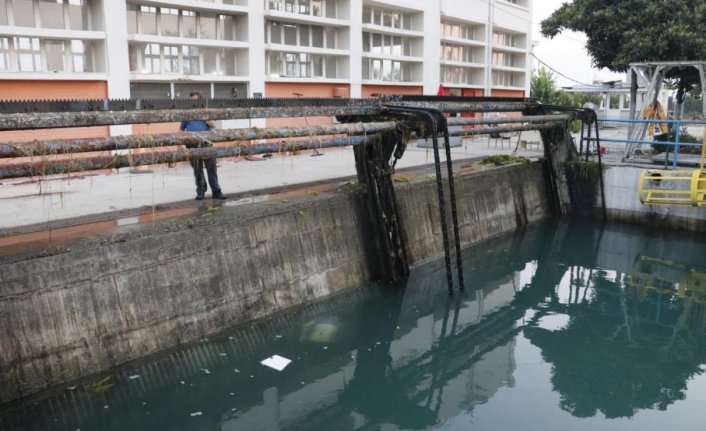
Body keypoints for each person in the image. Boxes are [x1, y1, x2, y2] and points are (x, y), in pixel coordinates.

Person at [180, 92, 226, 201]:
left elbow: (213, 125)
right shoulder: (187, 115)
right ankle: (201, 191)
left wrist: (203, 115)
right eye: (191, 101)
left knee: (212, 169)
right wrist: (181, 144)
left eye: (195, 100)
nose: (193, 103)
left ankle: (216, 191)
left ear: (200, 101)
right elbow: (181, 130)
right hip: (192, 145)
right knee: (197, 170)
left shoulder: (206, 112)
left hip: (206, 143)